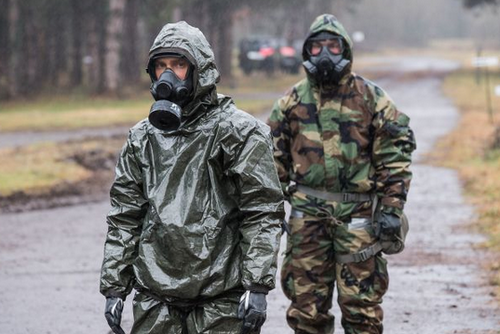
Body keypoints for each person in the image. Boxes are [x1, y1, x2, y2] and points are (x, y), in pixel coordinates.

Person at [99, 21, 285, 334]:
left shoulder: (239, 133)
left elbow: (262, 211)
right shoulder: (142, 138)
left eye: (179, 65)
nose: (168, 75)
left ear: (200, 69)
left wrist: (257, 285)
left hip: (221, 297)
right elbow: (125, 215)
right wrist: (114, 286)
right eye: (161, 66)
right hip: (155, 296)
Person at [267, 14, 416, 334]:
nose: (325, 55)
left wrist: (392, 208)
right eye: (317, 47)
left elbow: (395, 156)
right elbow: (272, 164)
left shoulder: (371, 98)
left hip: (359, 216)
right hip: (307, 219)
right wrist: (269, 213)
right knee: (307, 312)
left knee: (362, 309)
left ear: (345, 50)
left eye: (332, 46)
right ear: (307, 52)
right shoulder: (291, 102)